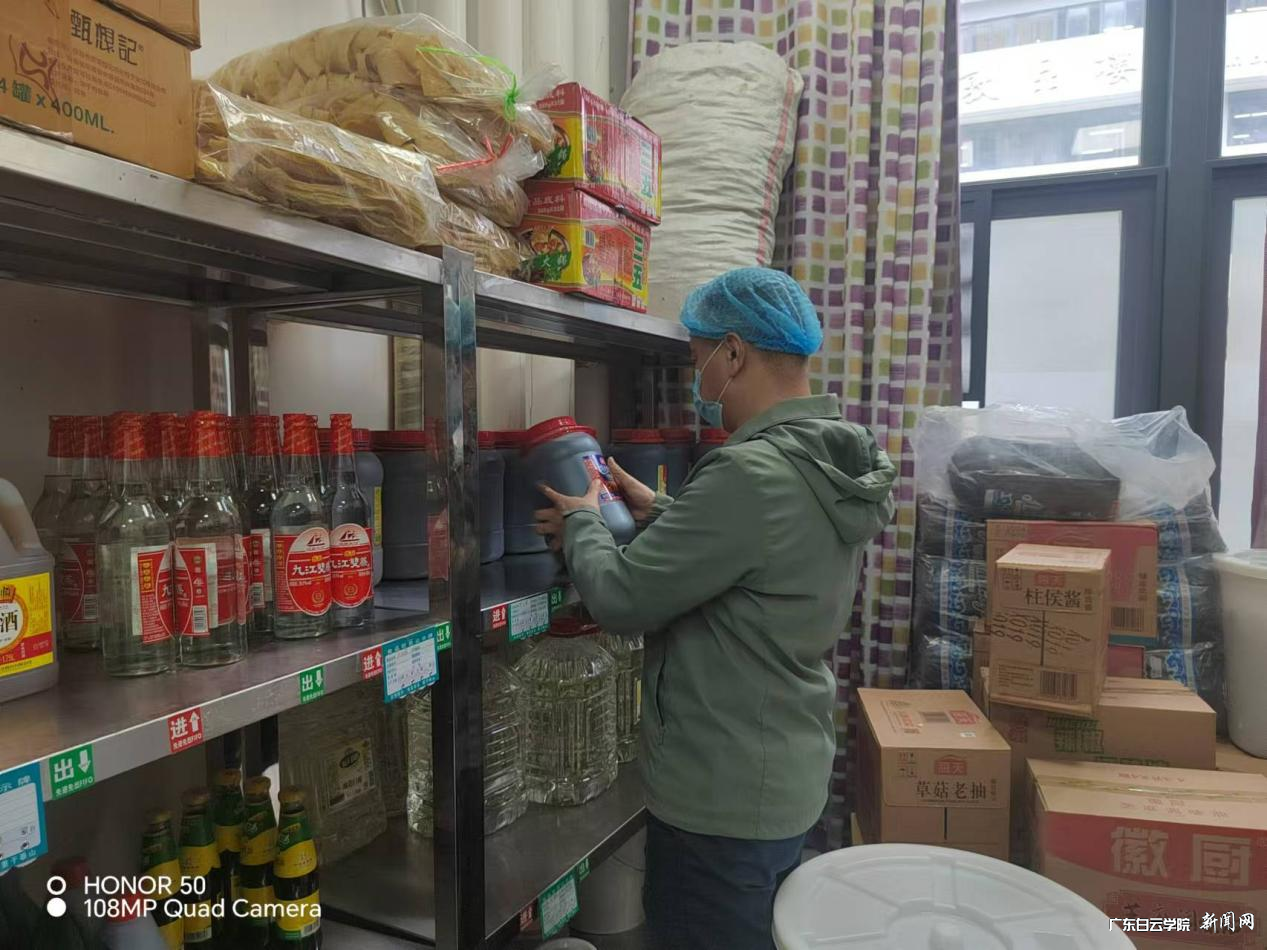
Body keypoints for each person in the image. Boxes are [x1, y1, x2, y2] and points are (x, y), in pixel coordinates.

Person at [535, 267, 896, 950]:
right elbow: (764, 554)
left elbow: (620, 599)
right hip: (782, 772)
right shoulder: (826, 458)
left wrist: (583, 520)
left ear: (733, 353)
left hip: (721, 798)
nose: (696, 381)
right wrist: (663, 511)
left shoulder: (746, 472)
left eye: (698, 359)